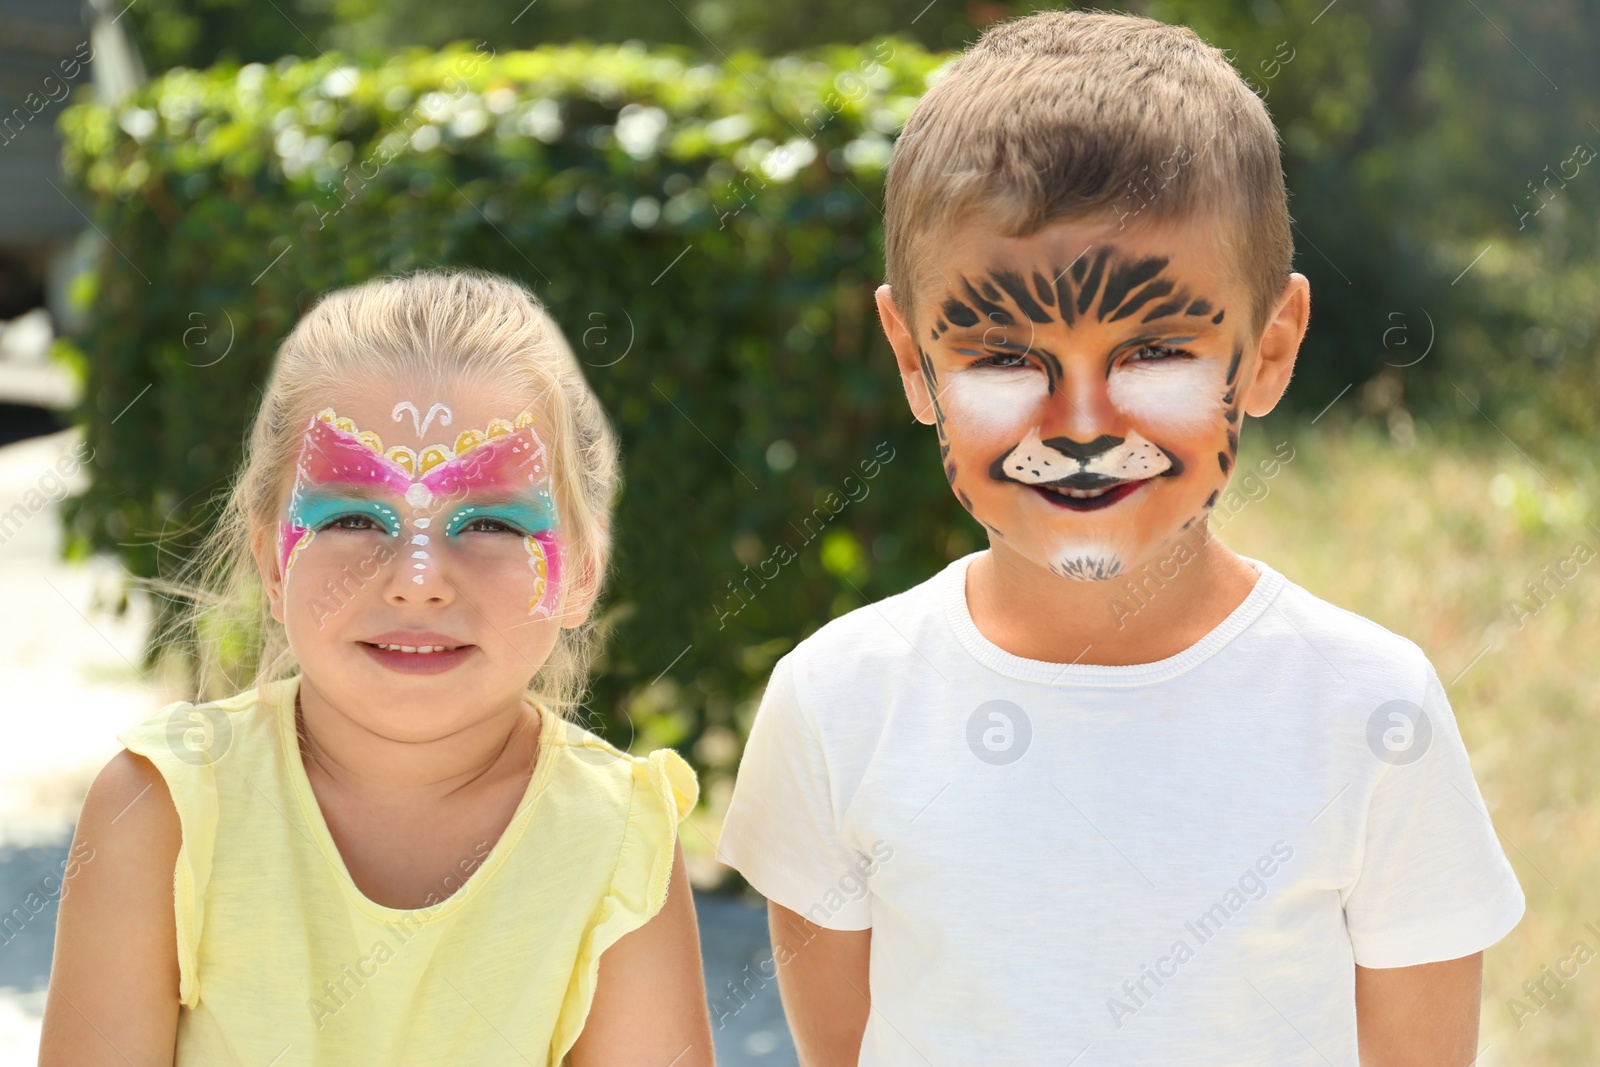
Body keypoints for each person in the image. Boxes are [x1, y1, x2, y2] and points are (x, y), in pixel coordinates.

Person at [717, 11, 1524, 1065]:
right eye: (1004, 356)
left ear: (1268, 348)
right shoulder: (836, 702)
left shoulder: (1373, 710)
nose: (1086, 426)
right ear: (913, 360)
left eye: (1153, 349)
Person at [40, 270, 715, 1066]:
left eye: (492, 520)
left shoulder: (616, 837)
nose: (417, 576)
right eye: (356, 516)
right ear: (271, 558)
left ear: (580, 571)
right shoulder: (164, 812)